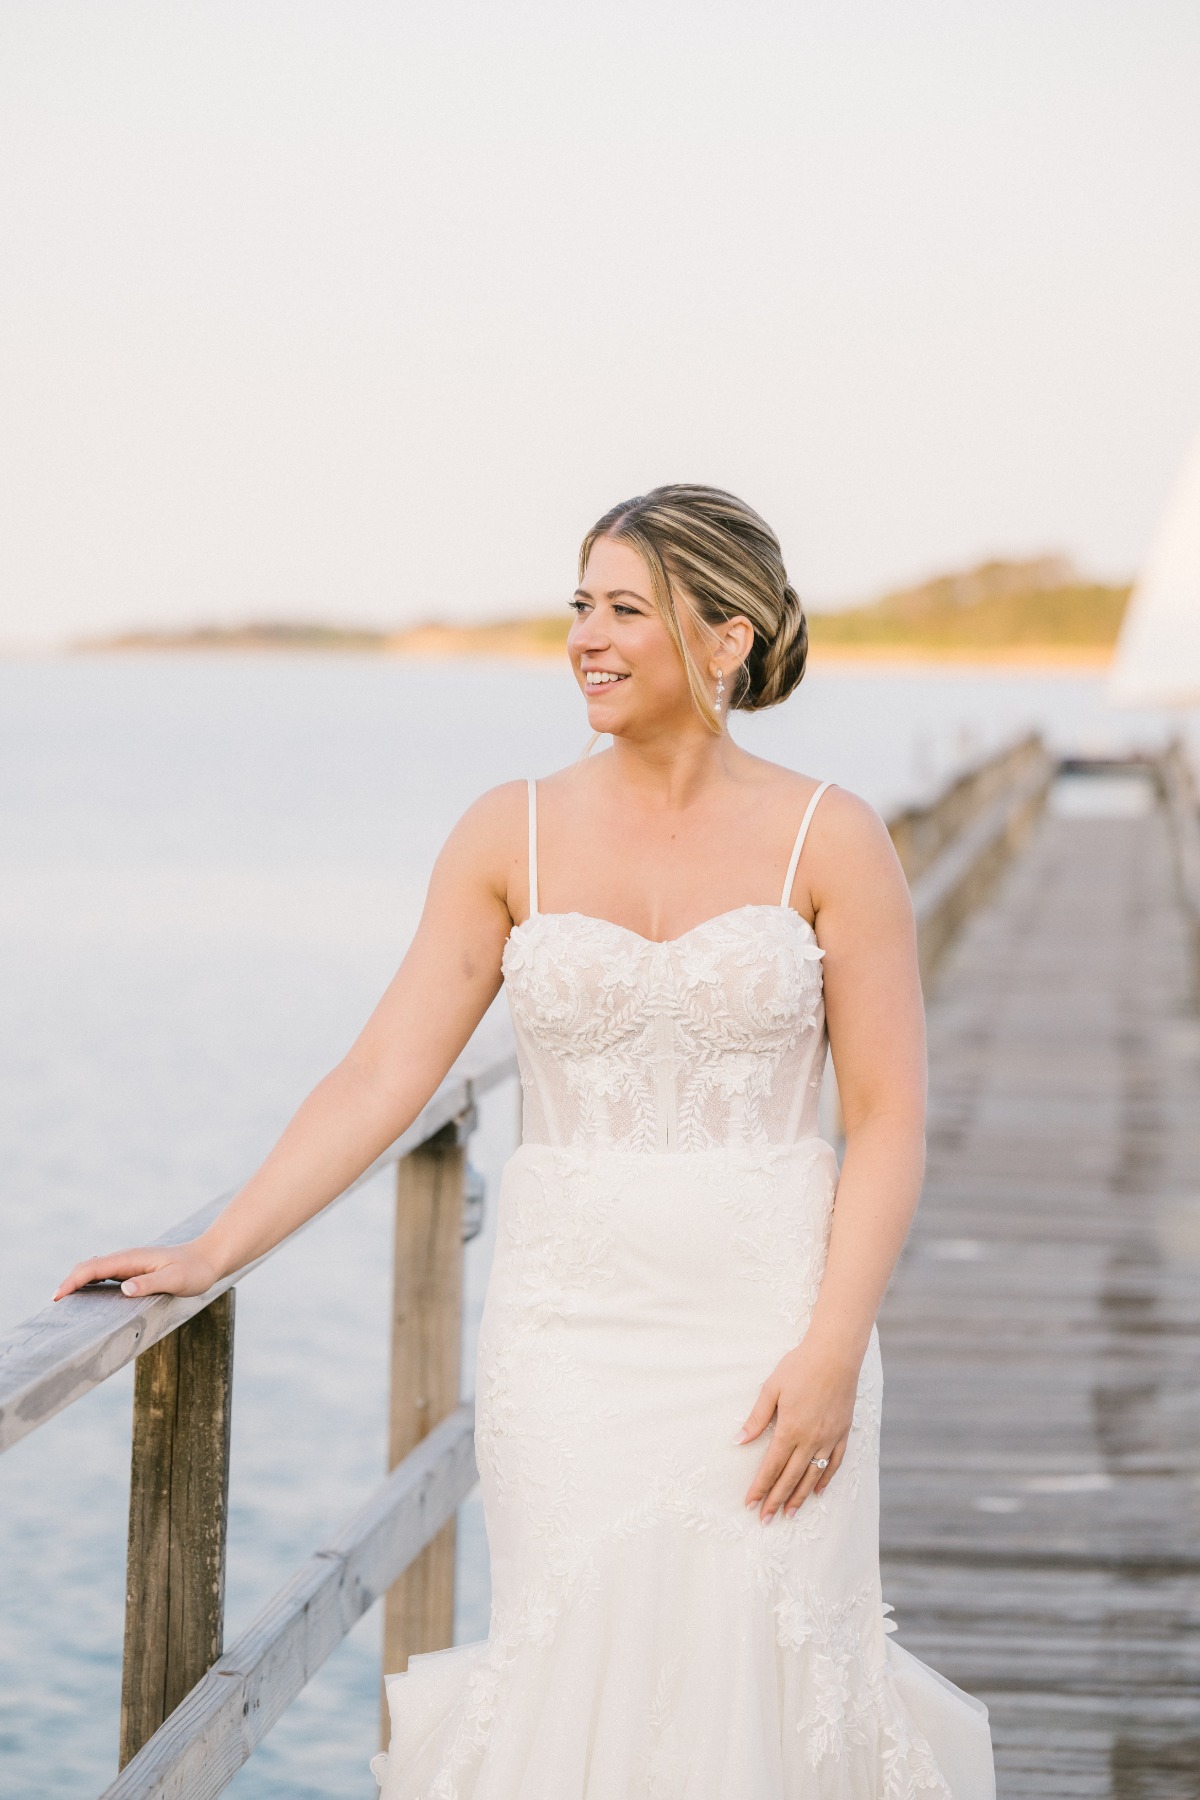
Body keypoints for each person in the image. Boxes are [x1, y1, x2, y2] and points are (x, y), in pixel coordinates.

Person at [55, 485, 995, 1797]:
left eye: (626, 608)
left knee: (774, 1670)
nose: (587, 639)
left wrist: (833, 1347)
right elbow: (385, 1070)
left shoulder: (829, 836)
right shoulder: (513, 831)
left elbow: (891, 1121)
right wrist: (217, 1244)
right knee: (576, 1671)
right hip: (572, 1342)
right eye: (580, 605)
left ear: (725, 639)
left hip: (774, 1329)